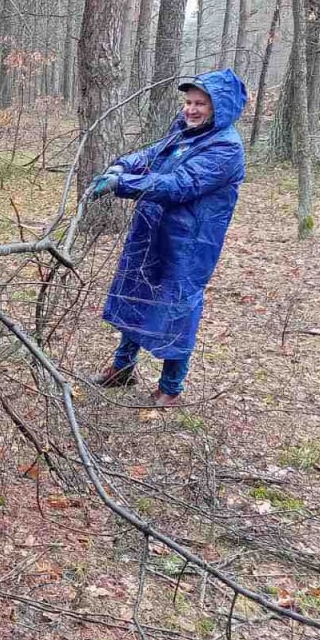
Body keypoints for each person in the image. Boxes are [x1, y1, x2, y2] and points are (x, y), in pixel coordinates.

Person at [88, 68, 247, 407]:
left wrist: (123, 185)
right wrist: (121, 166)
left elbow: (180, 184)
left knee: (177, 307)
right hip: (152, 231)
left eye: (200, 103)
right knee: (137, 294)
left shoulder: (225, 147)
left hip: (188, 243)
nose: (191, 109)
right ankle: (123, 368)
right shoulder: (184, 133)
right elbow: (150, 157)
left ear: (219, 107)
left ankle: (171, 388)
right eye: (188, 102)